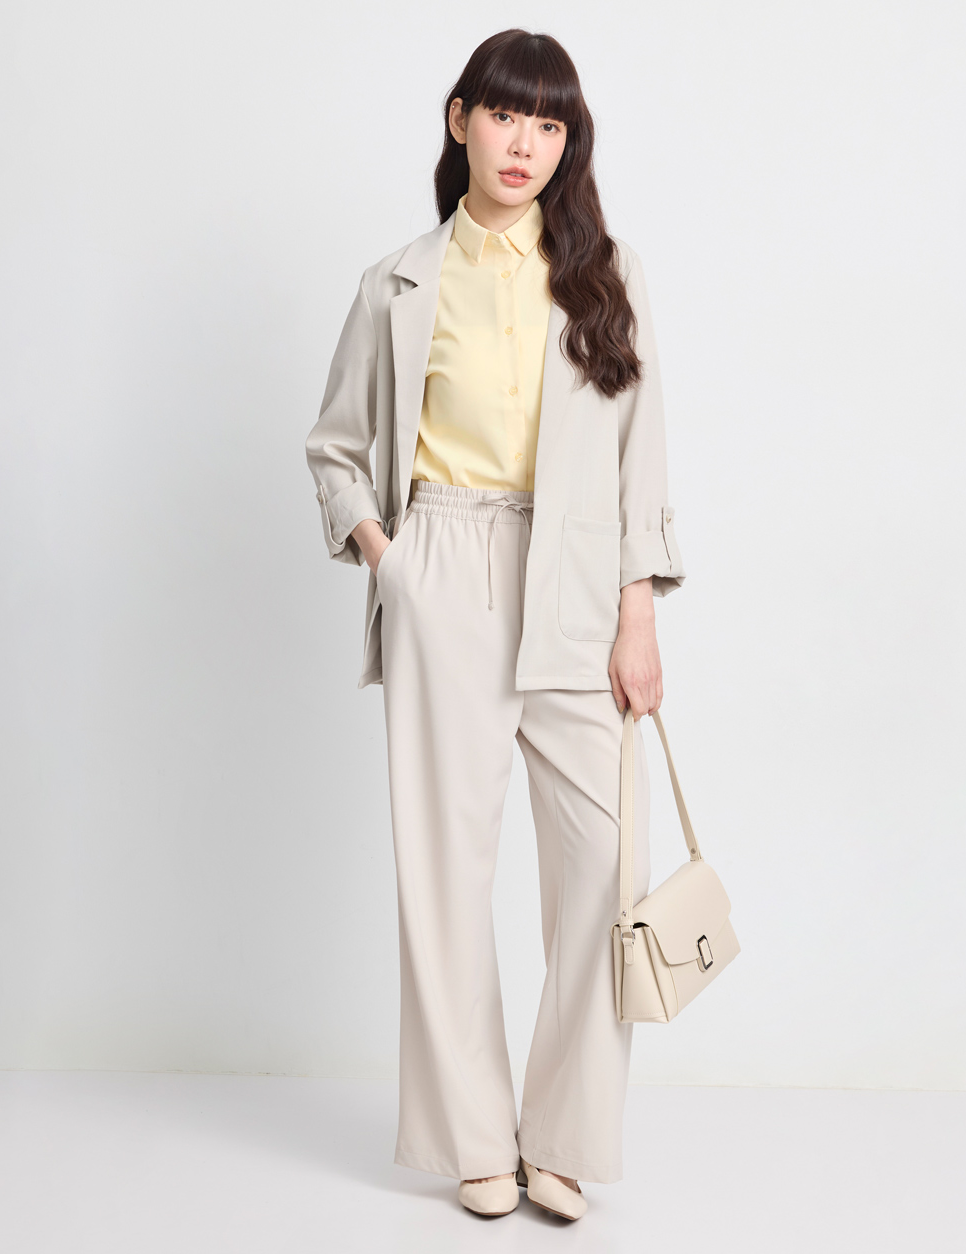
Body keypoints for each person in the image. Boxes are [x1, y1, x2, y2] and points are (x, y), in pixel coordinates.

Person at [305, 28, 685, 1221]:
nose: (525, 143)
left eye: (550, 123)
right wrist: (393, 564)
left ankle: (560, 1136)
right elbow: (335, 450)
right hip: (445, 563)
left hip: (576, 580)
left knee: (602, 867)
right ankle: (474, 1136)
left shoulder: (604, 274)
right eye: (507, 115)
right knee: (446, 872)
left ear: (568, 143)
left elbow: (639, 457)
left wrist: (636, 613)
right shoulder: (397, 283)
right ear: (460, 118)